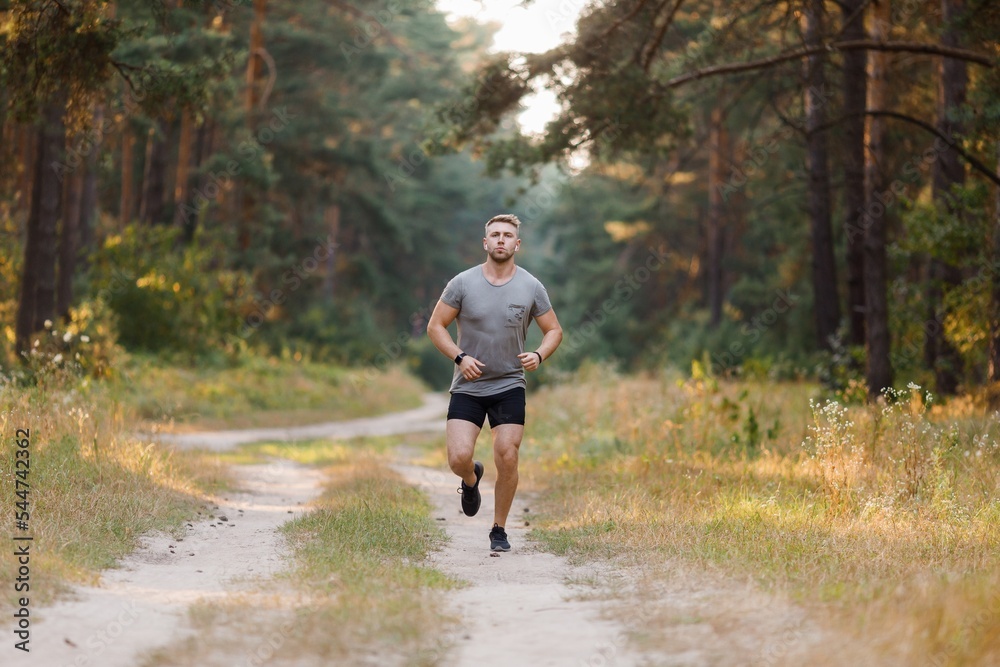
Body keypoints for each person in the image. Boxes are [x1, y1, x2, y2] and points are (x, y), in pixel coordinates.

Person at [427, 214, 562, 552]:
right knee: (458, 458)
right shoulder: (462, 283)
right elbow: (435, 326)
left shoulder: (531, 286)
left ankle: (499, 529)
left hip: (509, 384)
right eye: (495, 235)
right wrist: (460, 357)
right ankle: (471, 478)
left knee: (508, 454)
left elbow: (554, 330)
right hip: (468, 386)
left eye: (508, 235)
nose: (501, 240)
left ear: (518, 244)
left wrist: (540, 354)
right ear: (485, 243)